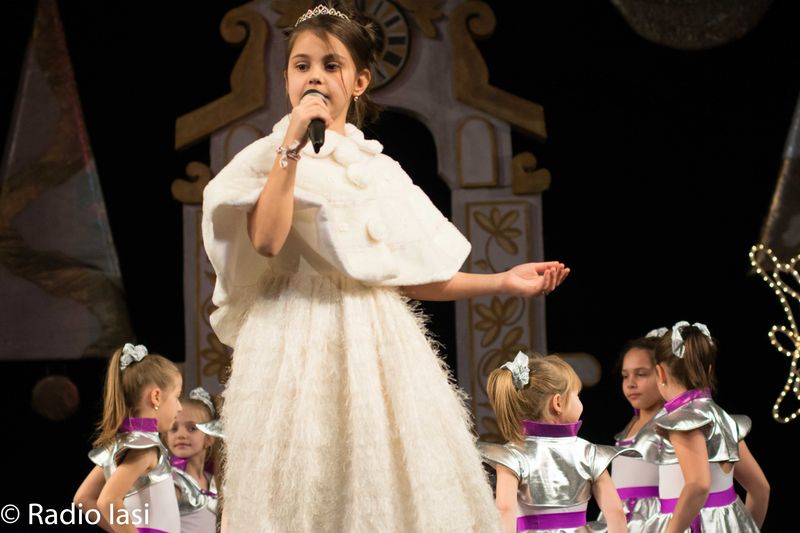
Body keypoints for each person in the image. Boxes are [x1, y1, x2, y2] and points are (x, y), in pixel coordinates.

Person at [201, 4, 569, 531]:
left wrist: (502, 281)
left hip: (373, 343)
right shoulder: (266, 158)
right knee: (297, 489)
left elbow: (410, 275)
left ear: (359, 81)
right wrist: (292, 148)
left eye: (331, 65)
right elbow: (266, 239)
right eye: (302, 65)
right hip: (290, 344)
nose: (315, 77)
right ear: (286, 78)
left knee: (383, 487)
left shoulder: (380, 171)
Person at [480, 352, 628, 533]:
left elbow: (505, 511)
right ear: (557, 403)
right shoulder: (589, 453)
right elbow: (616, 513)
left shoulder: (512, 456)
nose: (580, 401)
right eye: (577, 395)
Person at [644, 322, 769, 532]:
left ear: (660, 373)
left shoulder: (683, 421)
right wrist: (746, 527)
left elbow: (699, 485)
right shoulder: (725, 420)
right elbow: (760, 489)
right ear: (709, 369)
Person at [74, 343, 183, 533]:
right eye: (177, 397)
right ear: (156, 397)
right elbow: (108, 500)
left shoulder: (125, 443)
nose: (180, 407)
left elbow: (84, 499)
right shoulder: (145, 449)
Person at [592, 331, 666, 531]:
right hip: (621, 519)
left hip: (652, 520)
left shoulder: (668, 425)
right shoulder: (631, 425)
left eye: (641, 374)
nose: (631, 383)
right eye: (625, 376)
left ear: (663, 374)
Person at [166, 387, 219, 533]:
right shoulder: (171, 481)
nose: (181, 434)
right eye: (174, 428)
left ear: (209, 438)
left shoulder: (213, 481)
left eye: (192, 428)